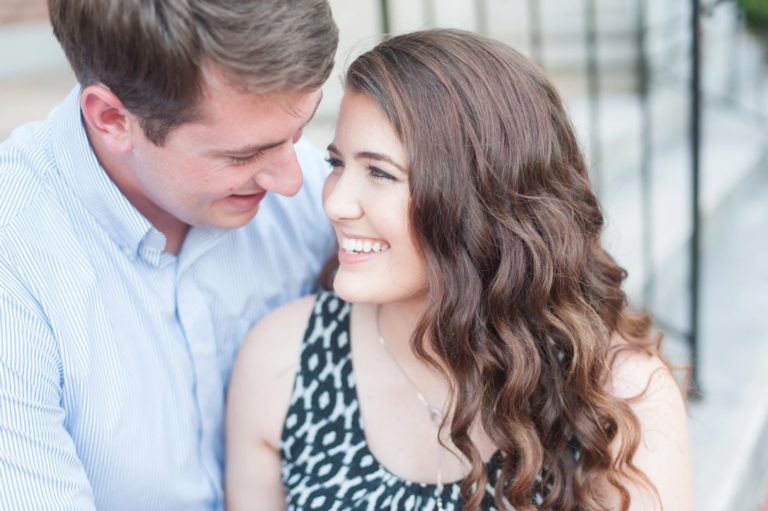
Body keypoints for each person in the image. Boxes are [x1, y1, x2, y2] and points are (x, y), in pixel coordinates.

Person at [226, 29, 693, 511]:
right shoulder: (283, 360)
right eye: (337, 163)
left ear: (483, 201)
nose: (336, 202)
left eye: (380, 173)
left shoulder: (617, 397)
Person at [0, 1, 338, 509]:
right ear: (112, 119)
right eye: (242, 155)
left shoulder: (319, 196)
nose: (292, 181)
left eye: (297, 133)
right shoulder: (17, 260)